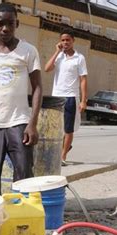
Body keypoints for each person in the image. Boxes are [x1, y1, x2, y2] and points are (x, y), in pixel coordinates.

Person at [0, 2, 42, 194]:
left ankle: (21, 221)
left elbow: (37, 88)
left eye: (10, 23)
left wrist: (32, 123)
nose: (5, 28)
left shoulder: (28, 51)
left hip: (19, 123)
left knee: (24, 178)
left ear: (17, 24)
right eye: (1, 23)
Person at [44, 29, 88, 166]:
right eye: (62, 40)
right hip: (56, 96)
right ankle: (54, 152)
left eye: (68, 40)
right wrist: (57, 52)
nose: (65, 42)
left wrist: (83, 100)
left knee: (68, 129)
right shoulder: (59, 57)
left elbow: (83, 80)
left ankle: (62, 156)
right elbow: (47, 68)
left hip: (70, 97)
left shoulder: (79, 58)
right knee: (53, 128)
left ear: (73, 41)